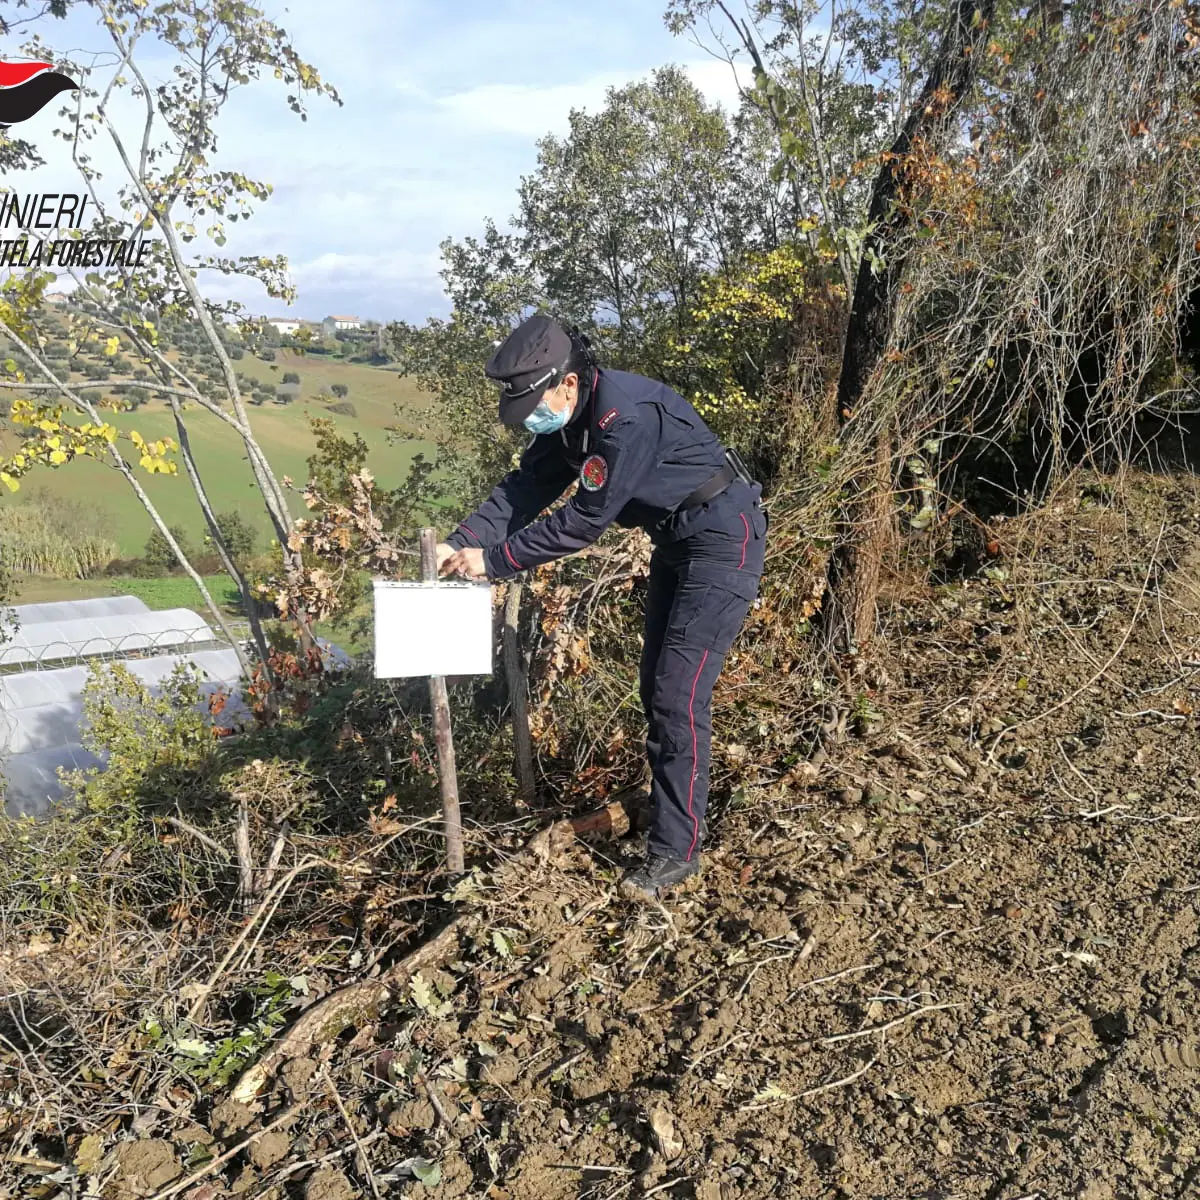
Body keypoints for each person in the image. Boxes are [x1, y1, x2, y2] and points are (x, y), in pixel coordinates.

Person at [437, 314, 767, 901]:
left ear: (566, 383)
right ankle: (675, 812)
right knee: (658, 689)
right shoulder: (570, 423)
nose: (530, 418)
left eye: (533, 401)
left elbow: (584, 520)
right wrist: (463, 542)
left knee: (677, 694)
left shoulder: (624, 419)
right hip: (675, 539)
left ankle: (675, 851)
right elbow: (524, 489)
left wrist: (497, 561)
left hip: (722, 536)